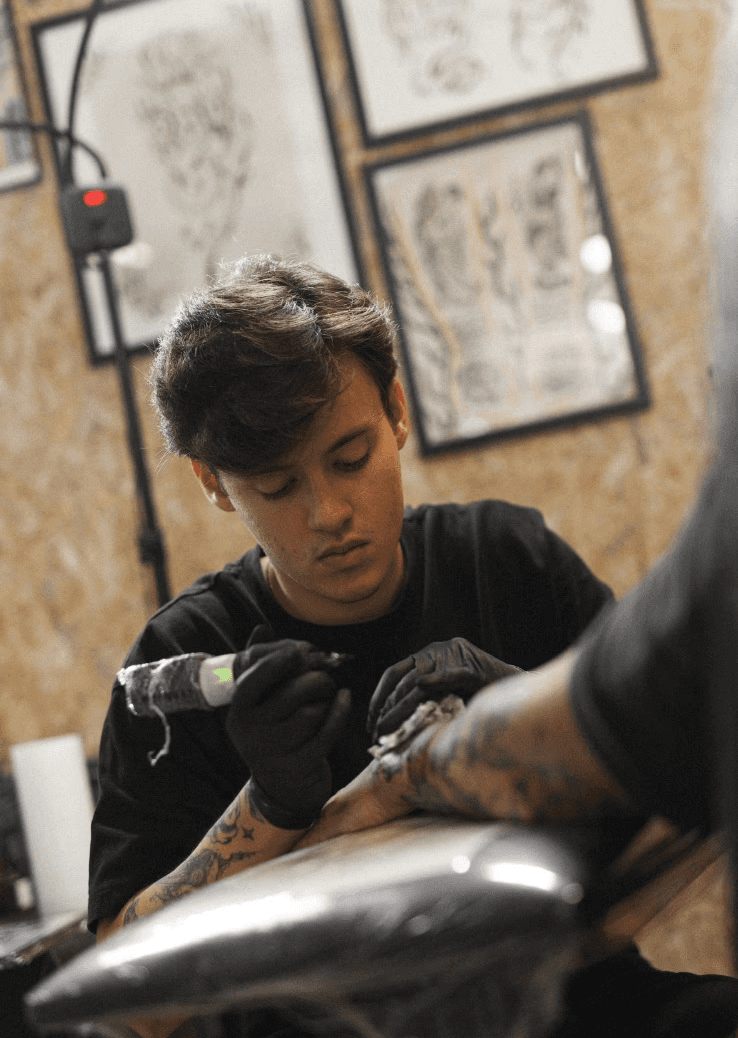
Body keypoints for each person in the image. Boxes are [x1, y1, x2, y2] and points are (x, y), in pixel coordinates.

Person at [89, 254, 738, 1038]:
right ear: (214, 483)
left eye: (351, 459)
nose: (330, 511)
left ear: (396, 411)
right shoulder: (184, 658)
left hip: (572, 1001)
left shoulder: (510, 562)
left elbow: (689, 792)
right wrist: (268, 809)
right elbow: (131, 1005)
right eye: (279, 487)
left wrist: (528, 715)